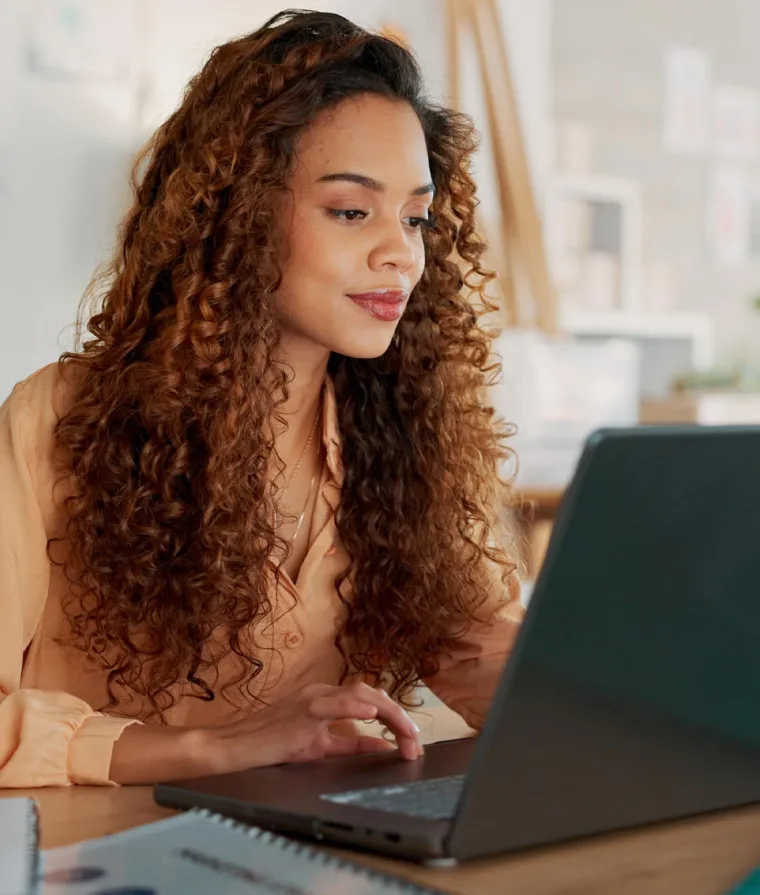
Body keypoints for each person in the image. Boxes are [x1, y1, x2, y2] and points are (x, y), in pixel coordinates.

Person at [0, 9, 523, 788]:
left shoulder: (407, 441)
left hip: (307, 844)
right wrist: (212, 748)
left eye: (415, 218)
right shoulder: (57, 421)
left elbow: (489, 658)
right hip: (88, 842)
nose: (401, 253)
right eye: (351, 211)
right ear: (238, 215)